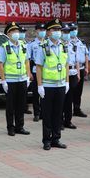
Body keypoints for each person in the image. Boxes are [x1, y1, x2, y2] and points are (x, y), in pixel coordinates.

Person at [33, 19, 69, 150]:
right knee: (47, 114)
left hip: (60, 85)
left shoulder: (64, 46)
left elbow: (66, 65)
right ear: (48, 32)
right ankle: (47, 140)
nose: (57, 32)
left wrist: (67, 82)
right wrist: (40, 85)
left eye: (59, 30)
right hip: (47, 86)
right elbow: (38, 67)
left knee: (58, 114)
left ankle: (56, 138)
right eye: (54, 30)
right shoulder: (43, 47)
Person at [0, 22, 30, 137]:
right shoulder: (4, 46)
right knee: (10, 106)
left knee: (21, 104)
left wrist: (28, 76)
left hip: (22, 79)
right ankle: (10, 127)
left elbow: (26, 61)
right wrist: (3, 80)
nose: (16, 33)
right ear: (9, 33)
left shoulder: (23, 45)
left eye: (17, 31)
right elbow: (0, 64)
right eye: (14, 31)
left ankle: (20, 126)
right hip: (10, 81)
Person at [61, 24, 81, 130]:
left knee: (70, 99)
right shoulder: (59, 45)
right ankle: (59, 121)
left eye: (68, 32)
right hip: (62, 73)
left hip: (72, 73)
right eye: (64, 32)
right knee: (61, 99)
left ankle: (68, 120)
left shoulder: (73, 45)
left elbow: (77, 60)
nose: (67, 34)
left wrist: (78, 73)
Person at [68, 23, 89, 118]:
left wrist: (87, 67)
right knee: (70, 91)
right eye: (72, 29)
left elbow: (86, 54)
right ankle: (67, 110)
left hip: (81, 68)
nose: (74, 31)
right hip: (71, 69)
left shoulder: (81, 42)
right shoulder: (66, 42)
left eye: (75, 29)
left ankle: (77, 108)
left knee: (78, 91)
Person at [27, 23, 46, 121]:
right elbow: (28, 60)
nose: (42, 32)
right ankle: (37, 113)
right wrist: (29, 73)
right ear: (36, 31)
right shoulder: (31, 44)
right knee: (35, 94)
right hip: (35, 70)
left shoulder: (47, 43)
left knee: (45, 94)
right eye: (40, 30)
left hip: (46, 72)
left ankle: (44, 112)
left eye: (43, 30)